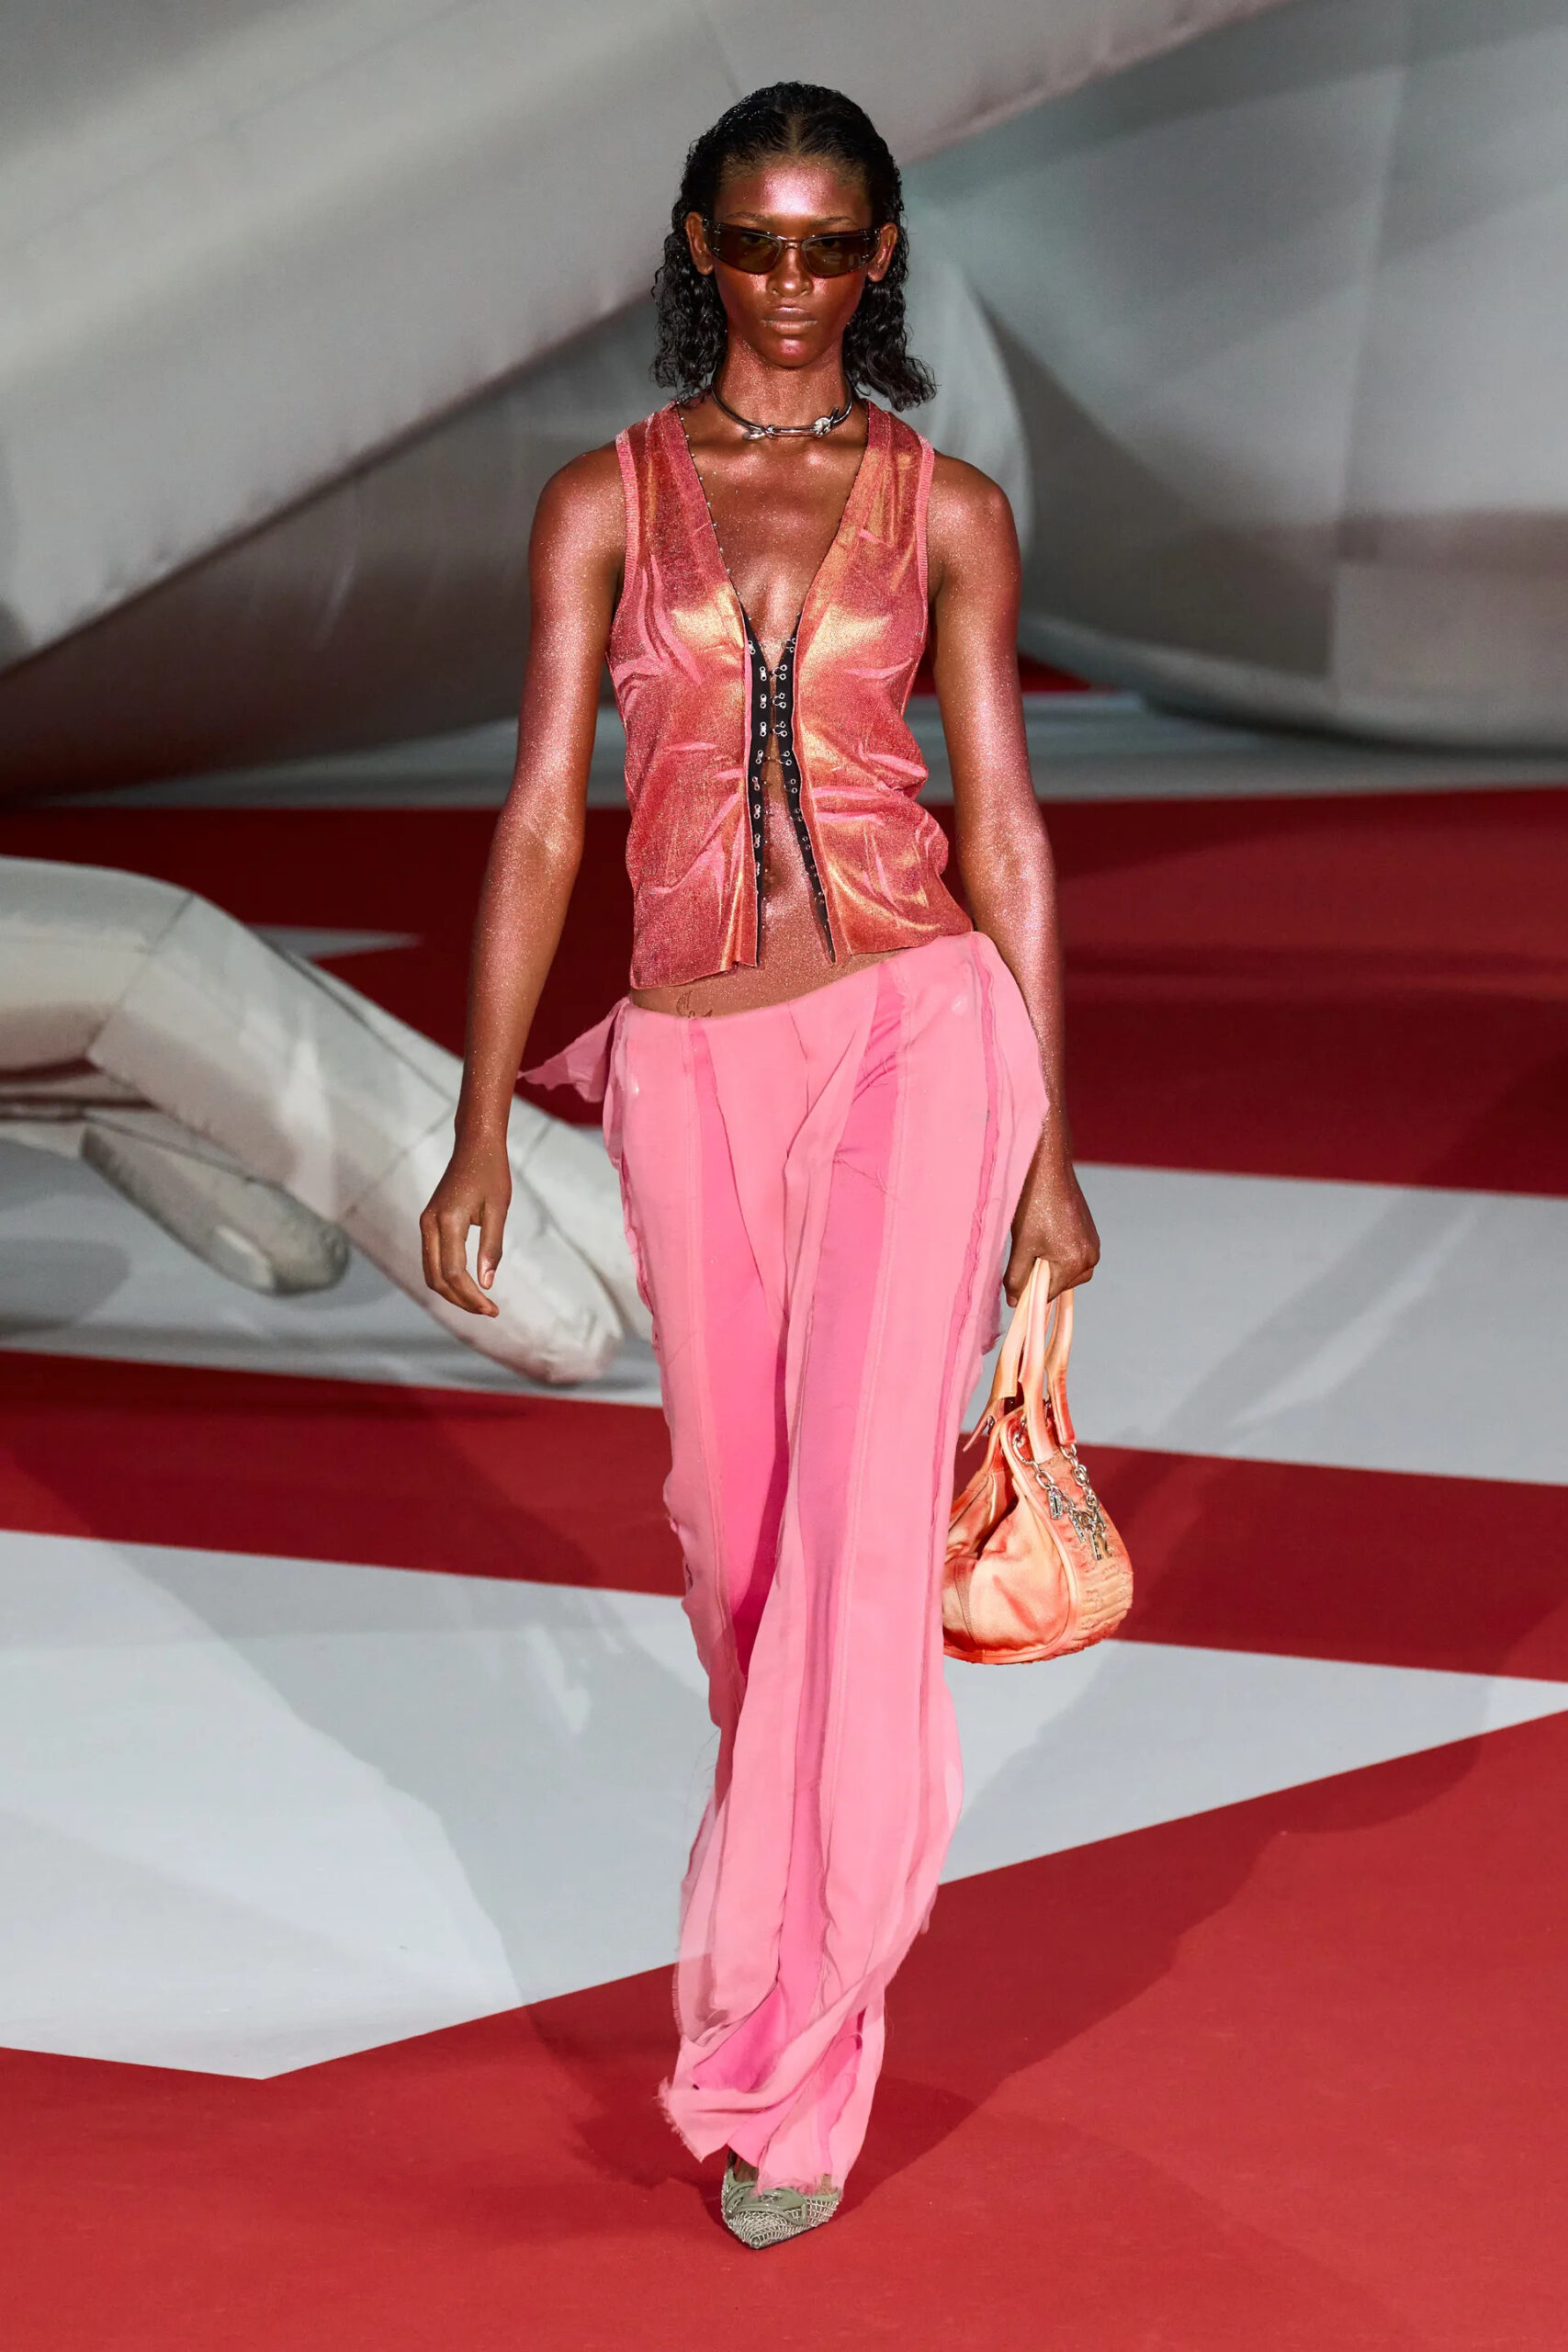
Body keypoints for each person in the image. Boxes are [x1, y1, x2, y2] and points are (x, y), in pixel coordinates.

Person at [421, 81, 1100, 2249]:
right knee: (738, 1553)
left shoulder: (949, 507)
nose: (790, 283)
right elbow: (545, 812)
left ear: (877, 258)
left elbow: (1002, 826)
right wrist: (478, 1118)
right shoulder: (602, 504)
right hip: (693, 1064)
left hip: (918, 1033)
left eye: (827, 246)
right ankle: (792, 1940)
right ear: (696, 250)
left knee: (853, 1567)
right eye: (754, 242)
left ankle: (793, 2064)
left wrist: (1047, 1147)